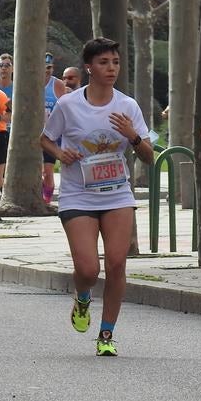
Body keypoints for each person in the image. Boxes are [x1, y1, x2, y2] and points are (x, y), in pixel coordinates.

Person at [42, 37, 153, 357]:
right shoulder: (69, 105)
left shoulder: (127, 106)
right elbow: (45, 140)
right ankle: (83, 297)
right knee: (89, 270)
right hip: (78, 195)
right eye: (104, 63)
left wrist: (132, 135)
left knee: (117, 263)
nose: (111, 68)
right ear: (89, 67)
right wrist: (61, 153)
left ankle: (106, 334)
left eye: (115, 62)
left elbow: (148, 155)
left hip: (117, 193)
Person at [42, 54, 68, 204]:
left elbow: (65, 107)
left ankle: (47, 201)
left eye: (50, 68)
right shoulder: (30, 82)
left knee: (48, 172)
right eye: (44, 67)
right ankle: (39, 197)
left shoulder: (57, 85)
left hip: (51, 135)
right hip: (33, 134)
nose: (47, 71)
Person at [0, 54, 13, 191]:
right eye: (0, 65)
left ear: (13, 68)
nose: (3, 69)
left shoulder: (17, 89)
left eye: (7, 65)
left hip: (13, 135)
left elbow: (13, 114)